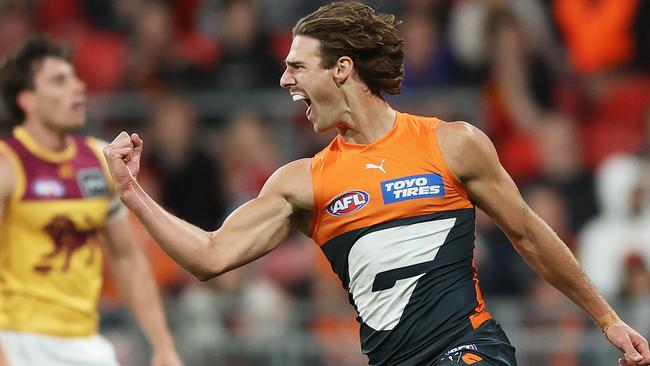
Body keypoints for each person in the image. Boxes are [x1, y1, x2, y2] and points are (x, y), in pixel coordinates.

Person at [102, 2, 650, 365]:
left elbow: (529, 234)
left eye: (297, 66)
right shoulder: (303, 182)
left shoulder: (452, 143)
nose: (284, 79)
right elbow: (211, 256)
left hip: (469, 349)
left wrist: (606, 318)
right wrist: (132, 194)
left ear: (341, 69)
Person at [0, 37, 183, 366]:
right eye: (60, 80)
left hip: (85, 343)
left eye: (75, 78)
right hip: (16, 339)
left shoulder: (100, 160)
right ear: (26, 100)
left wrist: (163, 346)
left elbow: (127, 258)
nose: (78, 88)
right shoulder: (7, 164)